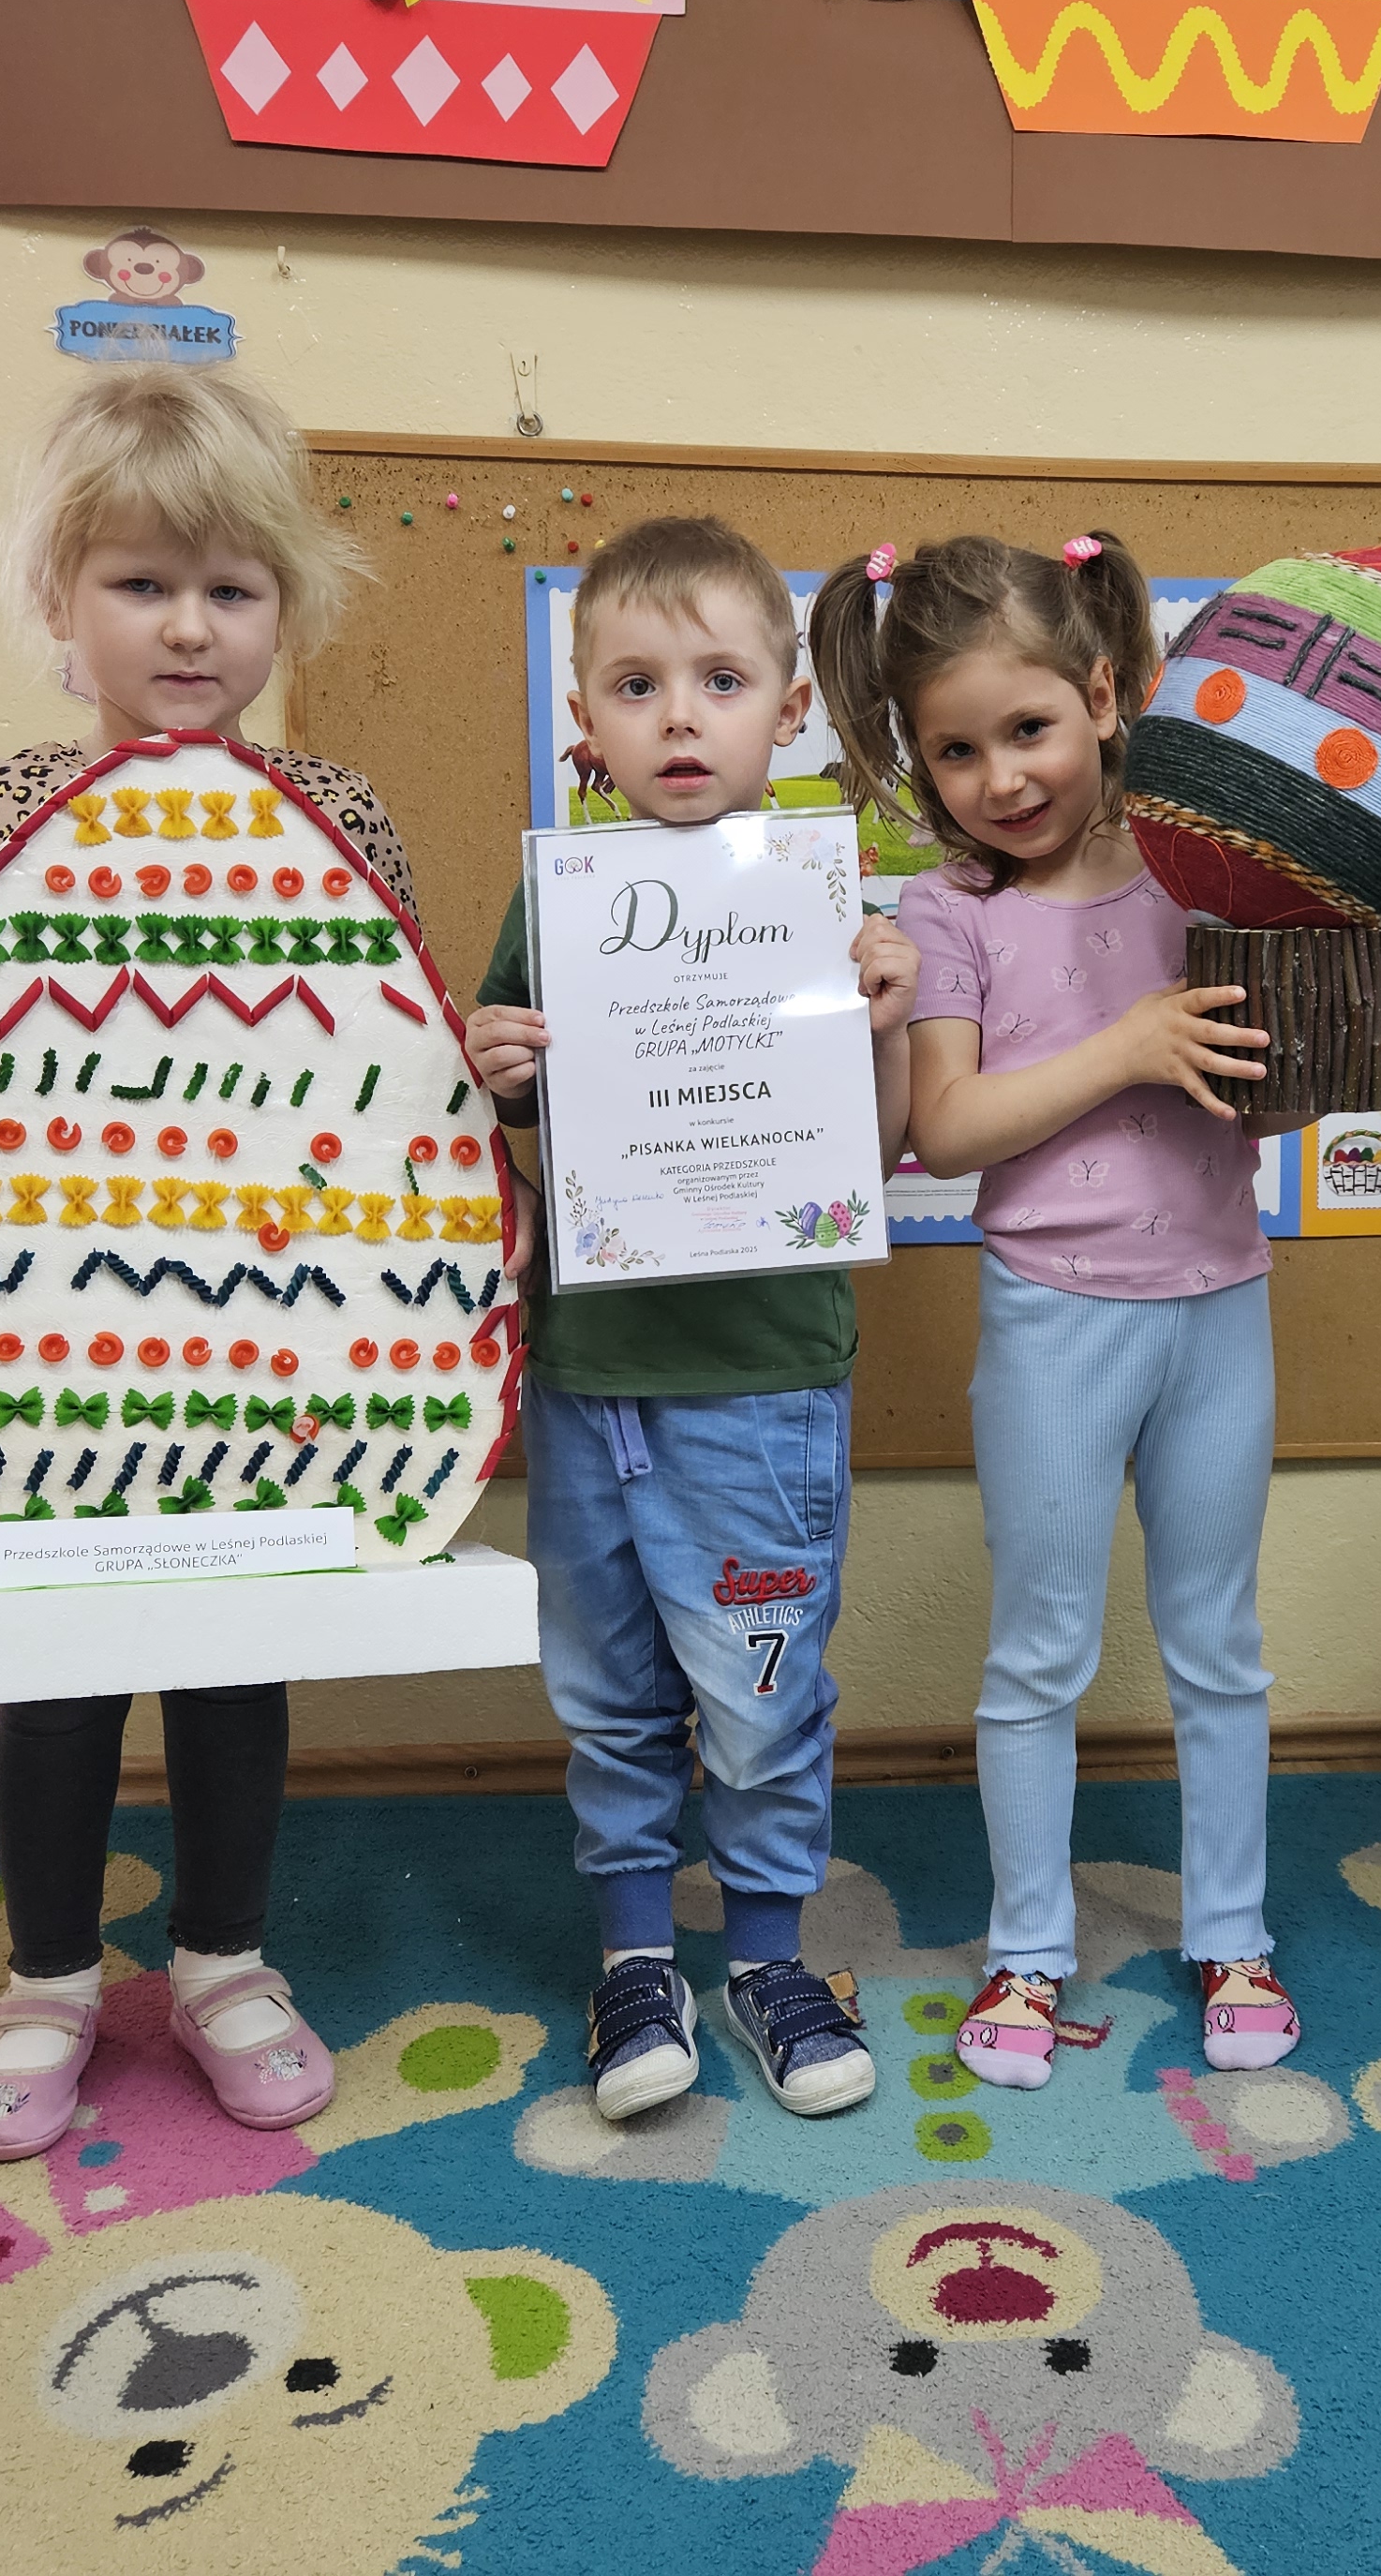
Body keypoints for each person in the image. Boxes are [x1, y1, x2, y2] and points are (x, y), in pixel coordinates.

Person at [0, 364, 408, 2162]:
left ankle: (223, 1961)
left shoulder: (337, 814)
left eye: (231, 587)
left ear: (286, 607)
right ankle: (49, 1978)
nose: (189, 627)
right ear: (61, 604)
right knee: (49, 1659)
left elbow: (384, 1067)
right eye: (141, 583)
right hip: (34, 1322)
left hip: (262, 1318)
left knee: (232, 1652)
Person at [815, 530, 1381, 2093]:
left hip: (1221, 1307)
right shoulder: (946, 914)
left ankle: (1234, 1933)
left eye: (1027, 729)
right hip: (1051, 1319)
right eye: (955, 750)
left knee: (1219, 1643)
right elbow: (948, 1130)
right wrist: (1129, 1046)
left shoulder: (1203, 876)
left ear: (1102, 694)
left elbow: (1264, 1094)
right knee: (1040, 1654)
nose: (999, 778)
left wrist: (1358, 1046)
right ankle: (1026, 1948)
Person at [466, 516, 917, 2124]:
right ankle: (636, 1958)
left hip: (763, 1381)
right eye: (637, 684)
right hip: (595, 1377)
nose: (678, 717)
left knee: (762, 1686)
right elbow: (517, 1129)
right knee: (607, 1693)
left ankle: (774, 1958)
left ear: (786, 710)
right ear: (583, 713)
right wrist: (493, 1069)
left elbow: (876, 1148)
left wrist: (884, 1018)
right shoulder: (558, 899)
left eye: (720, 682)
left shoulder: (826, 904)